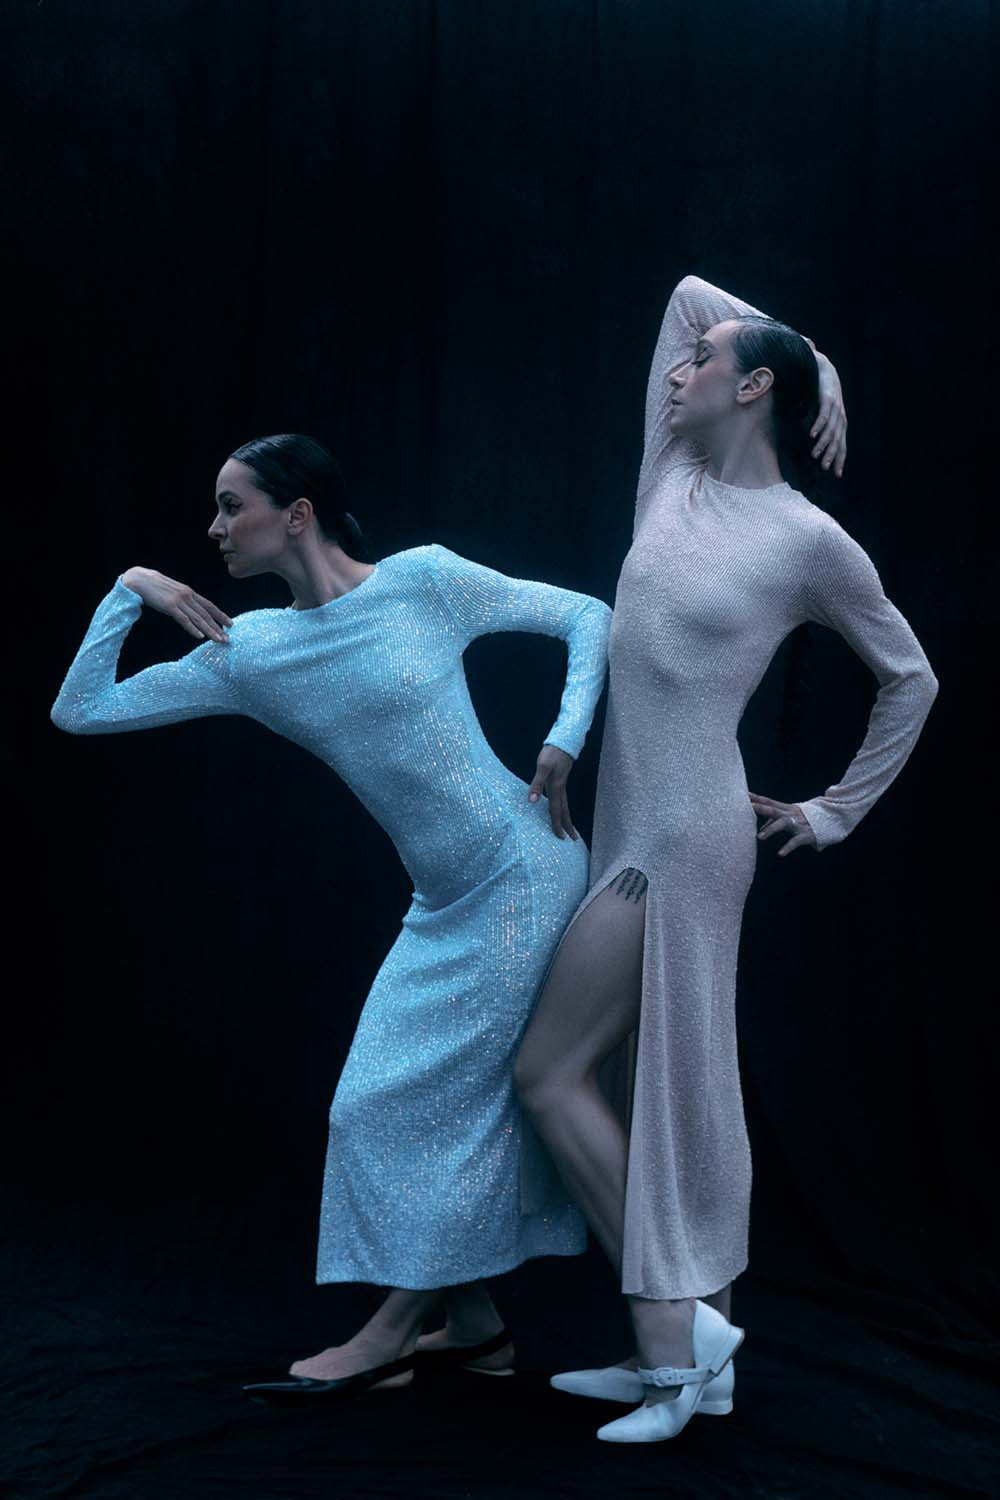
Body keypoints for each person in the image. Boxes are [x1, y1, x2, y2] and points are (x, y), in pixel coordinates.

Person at [51, 433, 612, 1400]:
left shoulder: (422, 581)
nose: (214, 528)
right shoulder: (250, 652)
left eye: (232, 506)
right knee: (372, 1105)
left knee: (445, 1103)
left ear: (297, 514)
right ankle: (475, 1329)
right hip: (440, 901)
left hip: (523, 873)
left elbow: (586, 615)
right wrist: (131, 587)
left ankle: (389, 1334)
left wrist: (563, 739)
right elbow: (82, 709)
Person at [513, 276, 938, 1442]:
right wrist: (819, 360)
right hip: (626, 823)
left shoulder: (807, 540)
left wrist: (835, 810)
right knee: (652, 1089)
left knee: (552, 1073)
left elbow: (910, 676)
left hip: (685, 837)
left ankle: (676, 1338)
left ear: (749, 388)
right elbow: (684, 297)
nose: (676, 370)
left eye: (702, 364)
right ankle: (700, 1368)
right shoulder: (670, 474)